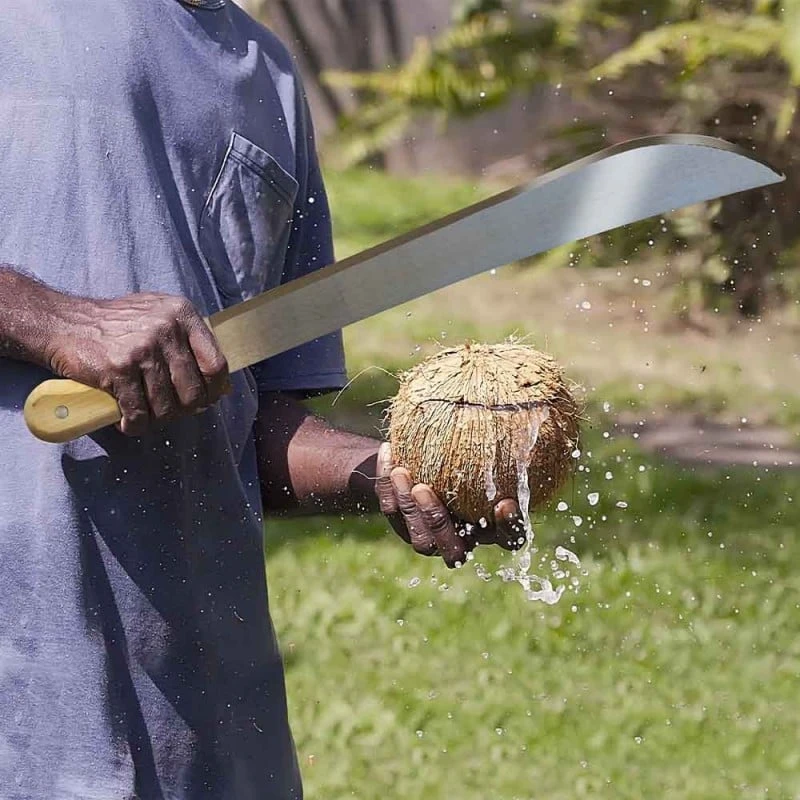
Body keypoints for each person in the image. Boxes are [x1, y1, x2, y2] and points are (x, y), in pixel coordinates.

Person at [0, 1, 522, 797]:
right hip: (26, 662)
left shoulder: (272, 79)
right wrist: (59, 321)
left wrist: (379, 471)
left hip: (191, 703)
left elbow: (251, 417)